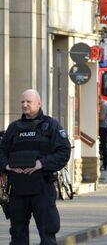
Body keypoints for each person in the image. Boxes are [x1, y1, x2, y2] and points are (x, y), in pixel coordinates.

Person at [0, 89, 71, 244]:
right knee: (18, 235)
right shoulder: (13, 128)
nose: (25, 105)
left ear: (39, 103)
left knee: (47, 234)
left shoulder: (51, 126)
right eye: (22, 102)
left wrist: (42, 163)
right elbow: (1, 151)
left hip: (42, 187)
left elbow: (64, 152)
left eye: (29, 102)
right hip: (18, 189)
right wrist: (7, 166)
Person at [98, 96, 107, 171]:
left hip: (104, 127)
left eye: (97, 102)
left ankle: (104, 165)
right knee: (104, 146)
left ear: (99, 99)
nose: (97, 104)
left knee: (104, 147)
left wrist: (95, 117)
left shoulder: (104, 106)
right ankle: (104, 164)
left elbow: (102, 118)